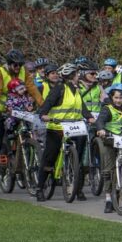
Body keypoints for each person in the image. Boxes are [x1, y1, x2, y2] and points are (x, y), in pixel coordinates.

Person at [35, 62, 92, 202]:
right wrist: (43, 115)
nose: (79, 76)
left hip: (75, 127)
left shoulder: (76, 90)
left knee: (77, 160)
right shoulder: (59, 89)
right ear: (72, 76)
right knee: (49, 159)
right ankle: (40, 188)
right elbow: (47, 103)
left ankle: (77, 189)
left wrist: (89, 117)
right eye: (77, 74)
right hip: (57, 128)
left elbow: (81, 107)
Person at [0, 49, 42, 190]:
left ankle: (23, 160)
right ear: (9, 64)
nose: (18, 67)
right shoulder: (0, 72)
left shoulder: (23, 71)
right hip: (2, 111)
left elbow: (32, 88)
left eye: (20, 65)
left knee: (27, 132)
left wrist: (43, 105)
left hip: (20, 110)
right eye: (15, 65)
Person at [94, 83, 122, 213]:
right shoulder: (107, 109)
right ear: (112, 97)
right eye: (116, 97)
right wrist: (101, 129)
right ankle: (108, 199)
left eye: (121, 97)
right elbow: (100, 121)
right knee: (108, 169)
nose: (118, 100)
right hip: (109, 140)